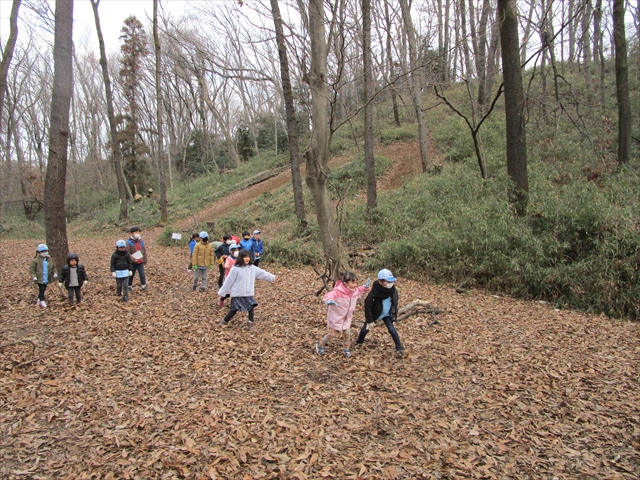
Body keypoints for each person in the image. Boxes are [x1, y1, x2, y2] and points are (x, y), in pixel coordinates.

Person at [217, 249, 276, 330]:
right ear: (241, 258)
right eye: (244, 257)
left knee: (251, 307)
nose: (247, 259)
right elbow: (229, 281)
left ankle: (251, 323)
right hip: (238, 293)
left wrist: (272, 277)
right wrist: (223, 291)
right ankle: (224, 321)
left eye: (248, 257)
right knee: (234, 309)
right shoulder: (235, 269)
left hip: (248, 293)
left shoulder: (252, 268)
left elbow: (262, 273)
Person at [315, 272, 370, 358]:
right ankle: (320, 345)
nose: (355, 285)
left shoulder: (354, 291)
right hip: (337, 317)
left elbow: (359, 290)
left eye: (356, 282)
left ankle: (346, 349)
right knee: (333, 333)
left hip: (347, 317)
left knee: (347, 333)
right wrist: (329, 300)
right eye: (353, 282)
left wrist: (365, 287)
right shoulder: (338, 291)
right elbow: (330, 295)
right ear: (345, 283)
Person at [355, 269, 404, 353]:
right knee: (365, 329)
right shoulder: (374, 294)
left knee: (392, 330)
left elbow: (395, 301)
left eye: (391, 281)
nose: (390, 283)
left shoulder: (392, 290)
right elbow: (368, 307)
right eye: (388, 281)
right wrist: (370, 320)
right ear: (380, 282)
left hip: (386, 314)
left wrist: (393, 313)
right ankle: (359, 341)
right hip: (375, 314)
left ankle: (399, 347)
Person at [29, 243, 58, 308]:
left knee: (43, 289)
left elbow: (53, 267)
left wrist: (55, 273)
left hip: (46, 278)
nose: (45, 253)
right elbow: (32, 269)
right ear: (39, 252)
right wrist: (34, 276)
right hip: (39, 278)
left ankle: (39, 300)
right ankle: (42, 300)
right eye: (43, 251)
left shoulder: (50, 259)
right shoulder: (35, 260)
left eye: (46, 251)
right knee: (41, 289)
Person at [126, 226, 147, 291]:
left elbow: (144, 250)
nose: (137, 233)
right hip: (132, 262)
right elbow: (127, 252)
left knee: (142, 274)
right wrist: (133, 259)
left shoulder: (141, 241)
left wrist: (145, 260)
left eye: (138, 232)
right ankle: (129, 286)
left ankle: (144, 286)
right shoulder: (129, 242)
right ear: (132, 233)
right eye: (135, 232)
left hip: (140, 261)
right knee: (131, 275)